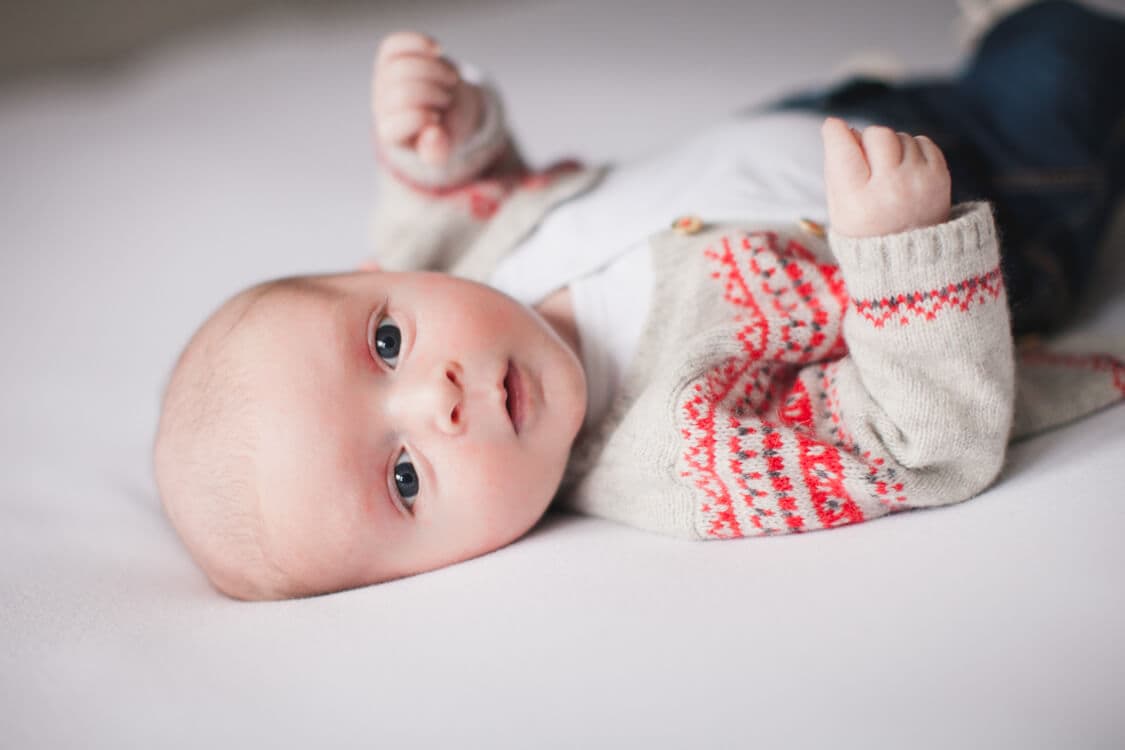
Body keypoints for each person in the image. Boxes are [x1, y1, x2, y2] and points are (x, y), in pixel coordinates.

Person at [154, 0, 1125, 600]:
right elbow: (923, 443)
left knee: (935, 80)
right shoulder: (690, 454)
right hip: (986, 193)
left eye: (386, 343)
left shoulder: (462, 270)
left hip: (810, 122)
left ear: (378, 284)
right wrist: (905, 251)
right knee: (1060, 61)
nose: (436, 397)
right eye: (404, 478)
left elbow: (445, 209)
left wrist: (441, 138)